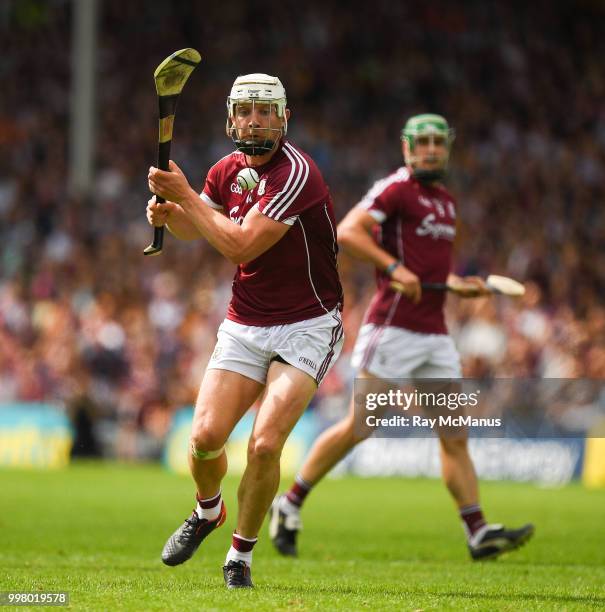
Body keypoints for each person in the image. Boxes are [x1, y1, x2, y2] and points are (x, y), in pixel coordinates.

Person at [270, 114, 534, 561]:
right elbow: (349, 231)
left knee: (454, 434)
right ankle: (289, 503)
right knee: (362, 425)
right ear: (406, 147)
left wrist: (455, 283)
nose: (430, 149)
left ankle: (477, 530)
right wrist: (392, 268)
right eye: (422, 141)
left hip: (433, 333)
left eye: (438, 141)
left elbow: (427, 270)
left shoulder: (446, 201)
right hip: (391, 328)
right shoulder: (395, 188)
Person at [146, 73, 344, 589]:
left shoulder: (296, 174)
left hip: (308, 323)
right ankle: (208, 511)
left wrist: (183, 193)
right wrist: (172, 213)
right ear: (231, 118)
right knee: (205, 438)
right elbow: (199, 227)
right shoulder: (225, 171)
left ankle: (240, 556)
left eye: (265, 110)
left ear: (284, 119)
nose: (254, 119)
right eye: (245, 110)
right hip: (246, 321)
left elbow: (239, 246)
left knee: (262, 445)